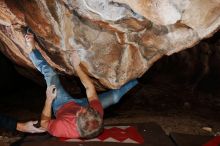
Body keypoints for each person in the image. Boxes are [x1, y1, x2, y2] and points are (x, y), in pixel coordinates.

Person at [25, 33, 138, 139]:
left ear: (76, 119)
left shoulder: (61, 128)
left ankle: (32, 50)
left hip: (61, 106)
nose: (82, 107)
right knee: (115, 97)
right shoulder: (95, 114)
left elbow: (44, 124)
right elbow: (89, 89)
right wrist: (76, 66)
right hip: (83, 113)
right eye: (88, 109)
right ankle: (138, 78)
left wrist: (49, 100)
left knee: (50, 73)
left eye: (82, 110)